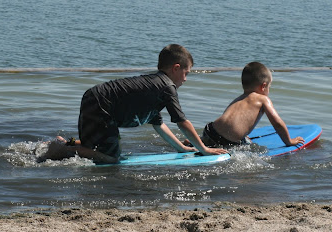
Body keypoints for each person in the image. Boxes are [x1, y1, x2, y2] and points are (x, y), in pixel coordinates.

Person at [41, 44, 228, 164]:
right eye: (186, 73)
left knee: (97, 146)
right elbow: (182, 122)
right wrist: (204, 149)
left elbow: (159, 125)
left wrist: (182, 148)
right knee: (110, 159)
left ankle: (65, 143)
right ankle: (61, 150)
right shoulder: (167, 86)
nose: (185, 79)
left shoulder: (154, 86)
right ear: (176, 68)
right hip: (102, 104)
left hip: (95, 97)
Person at [198, 61, 304, 149]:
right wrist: (289, 141)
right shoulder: (263, 99)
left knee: (210, 142)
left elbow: (230, 120)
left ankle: (197, 142)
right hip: (226, 141)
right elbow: (277, 123)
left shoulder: (239, 99)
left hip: (210, 130)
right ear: (263, 86)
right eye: (269, 87)